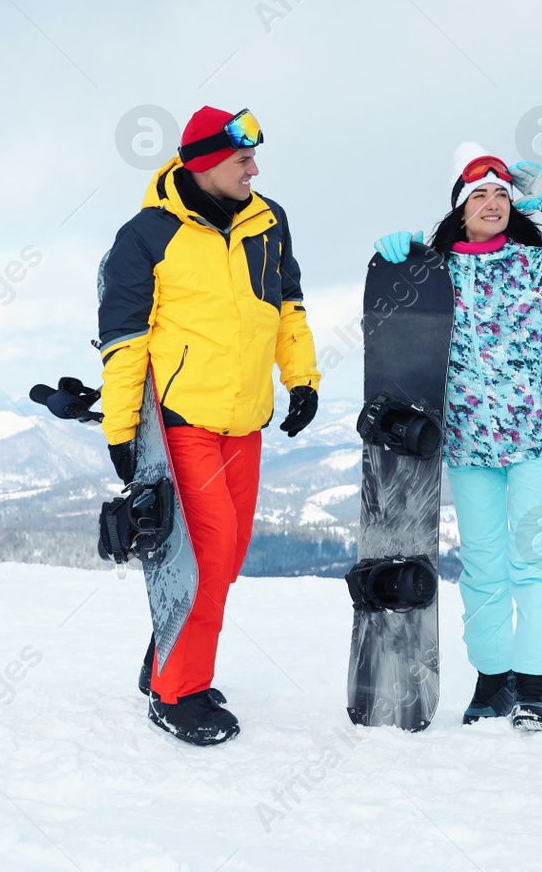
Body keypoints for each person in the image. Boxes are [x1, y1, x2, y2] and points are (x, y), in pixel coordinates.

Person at [96, 105, 320, 746]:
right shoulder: (146, 236)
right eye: (241, 159)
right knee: (207, 553)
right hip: (182, 425)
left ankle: (170, 656)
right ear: (204, 166)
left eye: (253, 158)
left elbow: (288, 306)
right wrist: (120, 431)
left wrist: (301, 378)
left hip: (244, 422)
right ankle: (176, 692)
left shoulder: (267, 219)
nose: (254, 168)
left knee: (226, 559)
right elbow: (123, 341)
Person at [375, 148, 542, 731]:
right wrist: (399, 253)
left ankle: (538, 684)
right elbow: (390, 304)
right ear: (459, 211)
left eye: (502, 194)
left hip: (532, 436)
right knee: (483, 565)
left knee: (533, 560)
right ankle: (494, 679)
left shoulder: (537, 266)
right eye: (479, 196)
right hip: (467, 443)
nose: (493, 203)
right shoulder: (434, 271)